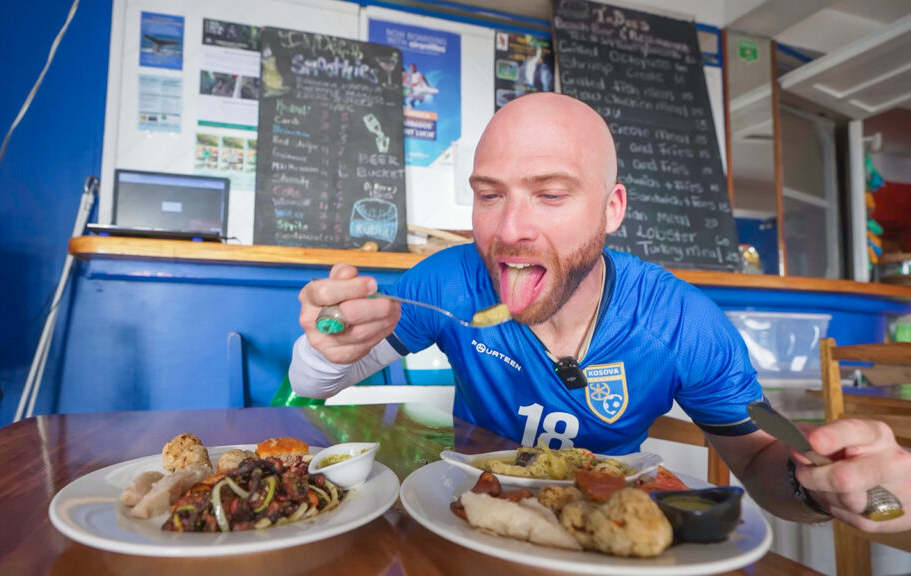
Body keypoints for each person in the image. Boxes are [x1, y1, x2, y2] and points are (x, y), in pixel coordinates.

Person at [289, 93, 910, 533]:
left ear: (611, 209)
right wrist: (326, 345)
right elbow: (317, 382)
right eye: (489, 195)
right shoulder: (448, 282)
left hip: (607, 532)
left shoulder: (683, 326)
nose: (509, 230)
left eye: (551, 194)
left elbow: (756, 458)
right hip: (468, 518)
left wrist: (825, 487)